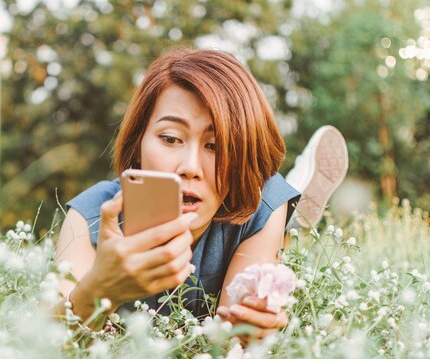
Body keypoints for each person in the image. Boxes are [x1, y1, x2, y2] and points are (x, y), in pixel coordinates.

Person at [52, 48, 348, 339]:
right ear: (138, 142)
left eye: (215, 146)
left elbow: (229, 340)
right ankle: (294, 222)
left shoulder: (260, 205)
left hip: (258, 215)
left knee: (274, 206)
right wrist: (101, 289)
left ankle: (291, 218)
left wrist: (251, 331)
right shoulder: (90, 214)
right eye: (170, 138)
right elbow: (49, 339)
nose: (189, 168)